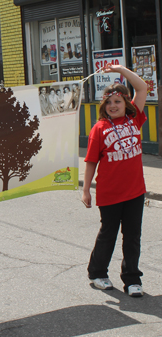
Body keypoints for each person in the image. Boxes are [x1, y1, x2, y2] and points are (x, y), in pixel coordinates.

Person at [82, 63, 148, 297]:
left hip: (135, 191)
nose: (113, 106)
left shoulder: (135, 119)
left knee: (132, 236)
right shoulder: (99, 129)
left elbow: (142, 88)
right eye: (108, 102)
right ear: (103, 106)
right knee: (108, 235)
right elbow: (91, 161)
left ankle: (132, 279)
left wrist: (121, 70)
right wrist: (86, 190)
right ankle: (97, 273)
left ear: (126, 104)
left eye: (118, 102)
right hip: (110, 193)